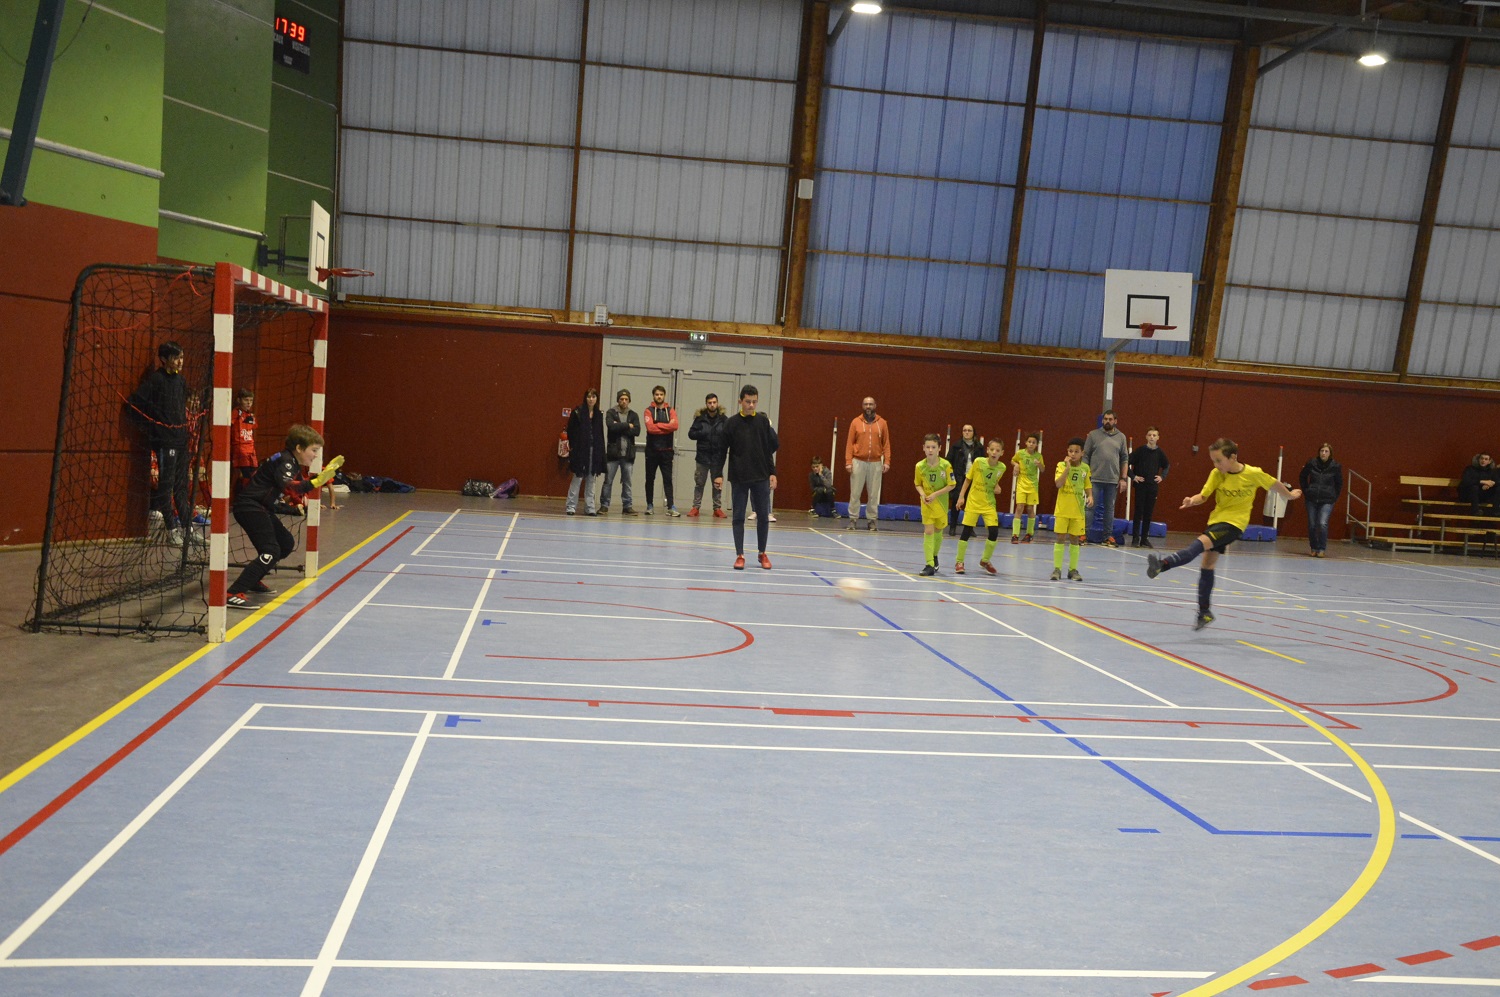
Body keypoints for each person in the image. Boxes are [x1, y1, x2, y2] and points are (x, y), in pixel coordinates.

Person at [1147, 438, 1302, 631]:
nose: (1216, 465)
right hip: (1216, 521)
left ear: (1233, 457)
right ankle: (1204, 612)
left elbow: (1273, 484)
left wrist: (1290, 495)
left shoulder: (1253, 474)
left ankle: (1162, 565)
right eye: (1213, 461)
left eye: (1219, 460)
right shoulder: (1216, 474)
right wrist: (1192, 500)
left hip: (1234, 525)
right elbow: (1204, 496)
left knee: (1197, 546)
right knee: (1207, 565)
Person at [226, 424, 342, 609]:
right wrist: (318, 480)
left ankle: (253, 579)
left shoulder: (291, 462)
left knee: (285, 544)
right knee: (271, 550)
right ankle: (232, 593)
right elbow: (291, 487)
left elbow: (294, 489)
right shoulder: (286, 462)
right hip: (250, 507)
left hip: (262, 507)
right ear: (299, 448)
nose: (315, 455)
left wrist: (303, 497)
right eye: (313, 450)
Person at [128, 340, 194, 545]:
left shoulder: (181, 381)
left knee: (182, 486)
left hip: (181, 441)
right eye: (176, 358)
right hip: (166, 442)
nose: (180, 362)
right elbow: (133, 404)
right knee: (167, 487)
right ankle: (171, 530)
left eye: (182, 357)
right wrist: (153, 429)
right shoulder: (156, 380)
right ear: (164, 359)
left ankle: (188, 529)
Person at [714, 385, 778, 570]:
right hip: (739, 477)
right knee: (738, 517)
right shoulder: (731, 423)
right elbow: (721, 451)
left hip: (761, 476)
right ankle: (740, 555)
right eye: (748, 402)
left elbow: (769, 450)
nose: (751, 405)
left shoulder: (763, 422)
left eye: (754, 402)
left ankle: (762, 553)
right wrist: (718, 474)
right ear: (740, 401)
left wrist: (772, 472)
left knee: (763, 517)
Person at [954, 437, 1006, 575]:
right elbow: (968, 480)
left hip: (989, 503)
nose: (994, 452)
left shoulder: (1002, 467)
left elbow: (993, 482)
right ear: (987, 450)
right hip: (973, 502)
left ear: (1002, 453)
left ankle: (985, 560)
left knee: (994, 532)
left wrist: (997, 487)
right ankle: (959, 561)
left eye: (997, 450)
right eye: (992, 449)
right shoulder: (978, 462)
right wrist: (961, 496)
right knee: (966, 531)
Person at [844, 396, 891, 531]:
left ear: (875, 406)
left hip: (876, 463)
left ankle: (872, 520)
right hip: (858, 462)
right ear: (862, 406)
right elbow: (849, 443)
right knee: (855, 493)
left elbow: (886, 444)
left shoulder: (882, 423)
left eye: (870, 404)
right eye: (866, 404)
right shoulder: (855, 422)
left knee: (873, 495)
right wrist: (848, 462)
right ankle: (853, 519)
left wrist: (887, 461)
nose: (868, 407)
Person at [1083, 409, 1128, 546]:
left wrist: (1123, 478)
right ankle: (1083, 534)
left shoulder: (1121, 437)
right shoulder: (1093, 435)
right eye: (1105, 419)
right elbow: (1085, 456)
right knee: (1090, 507)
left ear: (1115, 421)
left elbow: (1124, 458)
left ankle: (1107, 536)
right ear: (1102, 420)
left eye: (1110, 419)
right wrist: (1085, 475)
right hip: (1094, 478)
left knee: (1109, 509)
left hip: (1112, 480)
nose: (1107, 421)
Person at [914, 434, 956, 576]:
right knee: (929, 531)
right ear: (923, 448)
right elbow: (917, 484)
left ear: (939, 448)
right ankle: (929, 564)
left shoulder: (946, 466)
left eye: (933, 447)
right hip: (927, 504)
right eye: (928, 447)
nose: (930, 450)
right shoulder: (920, 466)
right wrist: (923, 494)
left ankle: (934, 555)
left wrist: (935, 494)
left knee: (938, 531)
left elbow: (952, 484)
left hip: (941, 504)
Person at [1051, 438, 1093, 581]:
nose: (1073, 454)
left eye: (1076, 451)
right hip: (1062, 509)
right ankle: (1057, 569)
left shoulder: (1085, 468)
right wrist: (1067, 468)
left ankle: (1073, 570)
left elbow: (1087, 484)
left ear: (1082, 453)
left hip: (1078, 511)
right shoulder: (1061, 465)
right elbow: (1058, 484)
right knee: (1060, 538)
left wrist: (1090, 496)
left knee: (1075, 539)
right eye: (1070, 451)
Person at [1127, 427, 1170, 549]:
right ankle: (1135, 538)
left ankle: (1144, 539)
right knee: (1138, 511)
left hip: (1152, 486)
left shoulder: (1160, 453)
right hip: (1141, 485)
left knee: (1148, 512)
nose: (1152, 437)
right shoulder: (1140, 451)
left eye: (1154, 435)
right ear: (1146, 437)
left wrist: (1162, 476)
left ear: (1158, 438)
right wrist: (1133, 476)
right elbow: (1126, 462)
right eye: (1150, 435)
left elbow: (1167, 465)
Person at [565, 389, 605, 516]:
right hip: (580, 450)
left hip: (594, 450)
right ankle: (571, 506)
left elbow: (600, 434)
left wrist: (601, 452)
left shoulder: (599, 414)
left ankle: (590, 507)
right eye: (589, 397)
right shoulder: (577, 412)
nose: (591, 399)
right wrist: (574, 447)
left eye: (593, 397)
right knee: (578, 477)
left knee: (591, 479)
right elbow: (570, 431)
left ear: (597, 399)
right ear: (585, 398)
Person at [687, 392, 728, 518]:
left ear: (717, 403)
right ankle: (695, 507)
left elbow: (728, 436)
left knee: (717, 485)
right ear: (706, 404)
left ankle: (717, 508)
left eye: (714, 402)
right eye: (710, 403)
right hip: (702, 457)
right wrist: (702, 432)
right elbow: (691, 434)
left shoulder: (723, 419)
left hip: (717, 457)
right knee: (699, 483)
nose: (712, 405)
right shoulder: (700, 418)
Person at [600, 388, 640, 515]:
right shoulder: (611, 412)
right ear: (618, 400)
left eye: (626, 399)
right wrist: (628, 425)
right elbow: (611, 427)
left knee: (627, 482)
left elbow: (637, 431)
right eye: (621, 399)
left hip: (628, 455)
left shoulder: (633, 415)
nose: (624, 401)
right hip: (613, 454)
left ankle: (627, 506)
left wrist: (619, 426)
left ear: (629, 401)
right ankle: (604, 505)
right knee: (608, 481)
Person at [642, 385, 681, 517]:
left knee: (668, 479)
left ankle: (671, 506)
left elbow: (675, 425)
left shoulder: (670, 410)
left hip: (667, 451)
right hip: (652, 451)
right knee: (650, 479)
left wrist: (658, 425)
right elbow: (650, 428)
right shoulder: (648, 411)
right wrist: (666, 427)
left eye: (661, 394)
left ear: (664, 396)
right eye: (657, 394)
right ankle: (650, 505)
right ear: (653, 396)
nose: (659, 396)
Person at [1298, 442, 1342, 557]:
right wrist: (1307, 490)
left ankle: (1322, 548)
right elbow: (1302, 476)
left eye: (1326, 451)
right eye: (1322, 451)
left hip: (1327, 499)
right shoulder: (1311, 463)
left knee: (1322, 523)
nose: (1323, 453)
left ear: (1330, 453)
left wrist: (1334, 496)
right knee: (1312, 524)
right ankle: (1314, 547)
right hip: (1311, 498)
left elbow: (1339, 483)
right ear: (1319, 452)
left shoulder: (1335, 466)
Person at [945, 425, 983, 537]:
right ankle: (952, 526)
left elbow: (983, 463)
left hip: (973, 479)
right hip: (959, 478)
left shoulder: (979, 447)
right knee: (956, 502)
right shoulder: (956, 446)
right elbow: (948, 461)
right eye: (964, 430)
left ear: (973, 432)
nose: (966, 432)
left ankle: (969, 528)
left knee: (971, 504)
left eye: (969, 430)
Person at [1010, 432, 1043, 544]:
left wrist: (1039, 464)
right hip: (1021, 483)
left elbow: (1043, 469)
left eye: (1034, 442)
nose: (1031, 444)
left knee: (1030, 508)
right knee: (1019, 507)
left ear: (1036, 444)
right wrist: (1016, 465)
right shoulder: (1020, 453)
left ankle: (1029, 534)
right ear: (1026, 443)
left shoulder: (1038, 456)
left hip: (1032, 485)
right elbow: (1012, 460)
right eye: (1029, 442)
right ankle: (1015, 534)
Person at [231, 388, 258, 487]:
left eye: (251, 400)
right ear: (239, 400)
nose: (249, 403)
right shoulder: (235, 413)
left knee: (254, 474)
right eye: (246, 400)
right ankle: (245, 494)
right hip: (241, 448)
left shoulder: (251, 415)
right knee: (247, 474)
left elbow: (253, 427)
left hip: (251, 449)